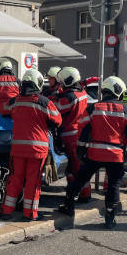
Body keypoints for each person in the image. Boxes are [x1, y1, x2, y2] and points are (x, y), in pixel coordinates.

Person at [59, 76, 127, 229]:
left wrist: (81, 150)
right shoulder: (126, 110)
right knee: (113, 185)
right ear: (119, 91)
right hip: (116, 155)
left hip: (94, 153)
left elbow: (83, 129)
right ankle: (110, 217)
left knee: (81, 179)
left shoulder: (93, 108)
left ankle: (69, 205)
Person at [0, 69, 62, 221]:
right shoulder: (44, 102)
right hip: (37, 150)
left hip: (18, 149)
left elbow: (3, 109)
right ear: (38, 84)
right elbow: (58, 120)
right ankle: (30, 214)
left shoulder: (15, 101)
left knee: (15, 179)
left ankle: (6, 211)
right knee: (33, 183)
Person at [54, 67, 91, 203]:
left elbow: (56, 109)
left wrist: (52, 98)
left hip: (70, 136)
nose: (61, 85)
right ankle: (76, 191)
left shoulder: (69, 97)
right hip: (80, 134)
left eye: (62, 82)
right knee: (73, 166)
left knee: (75, 166)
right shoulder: (82, 93)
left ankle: (82, 194)